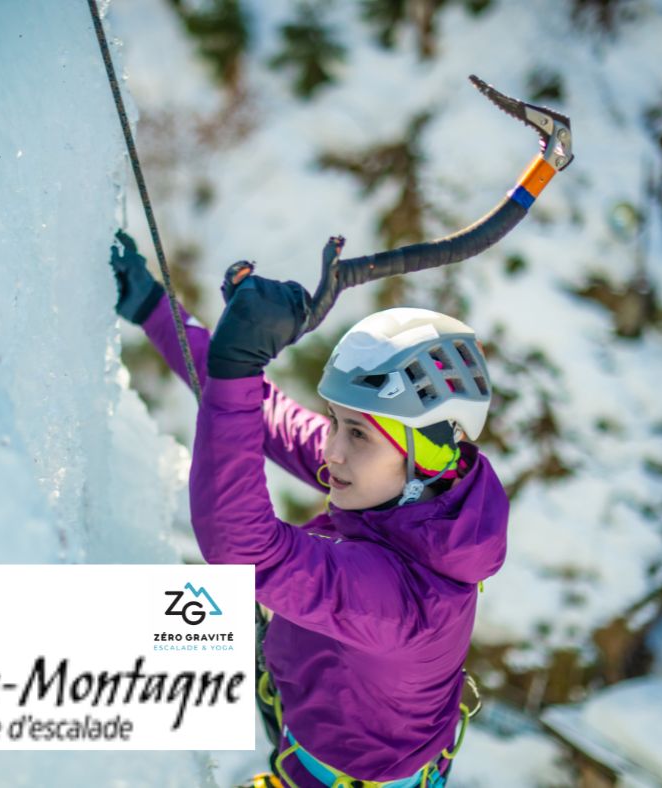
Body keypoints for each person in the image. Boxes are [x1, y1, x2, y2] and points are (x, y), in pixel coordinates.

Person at [110, 231, 509, 788]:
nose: (332, 449)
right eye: (336, 421)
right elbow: (264, 413)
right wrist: (158, 310)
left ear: (430, 458)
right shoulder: (412, 498)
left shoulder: (405, 603)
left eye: (357, 434)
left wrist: (237, 365)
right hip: (310, 731)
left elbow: (243, 549)